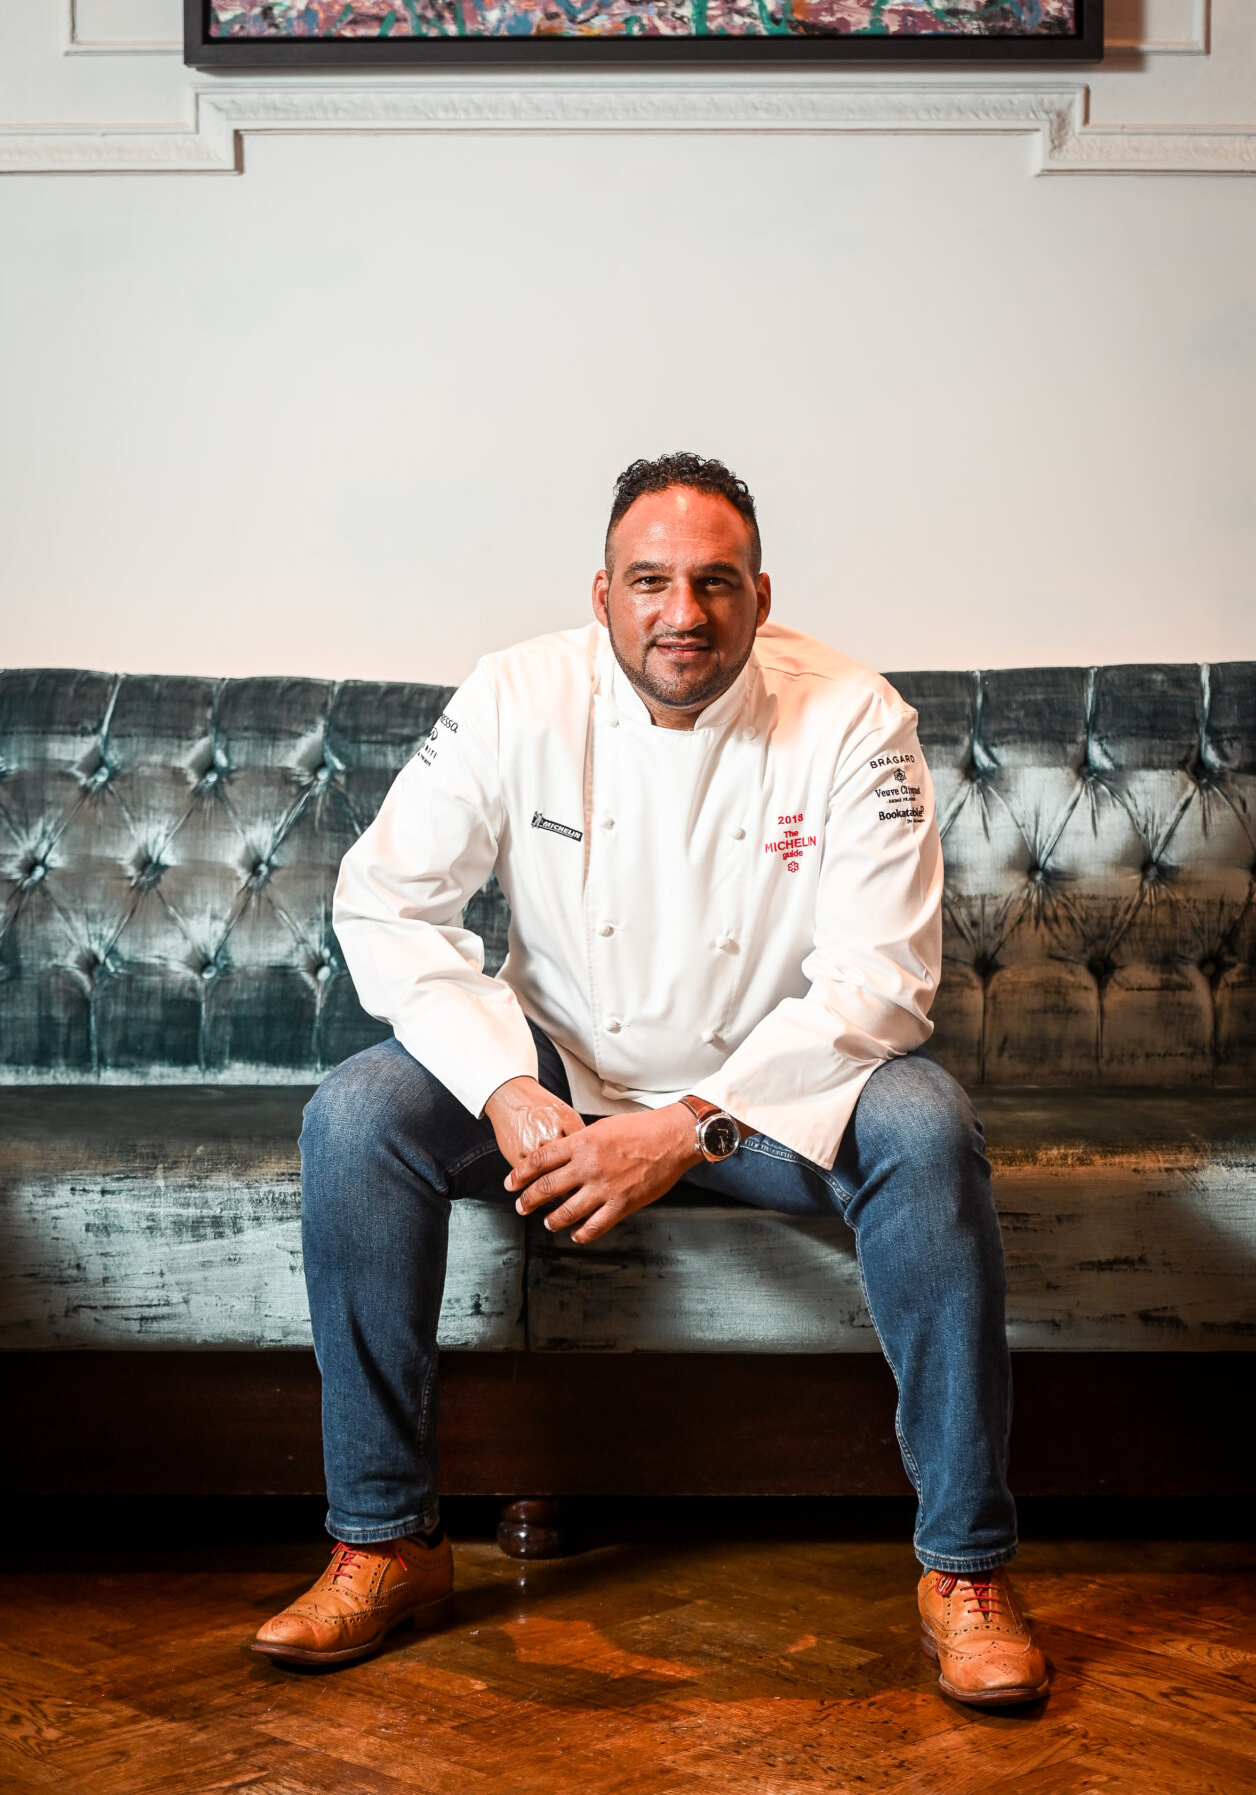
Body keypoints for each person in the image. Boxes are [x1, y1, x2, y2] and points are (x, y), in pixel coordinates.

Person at [253, 452, 1049, 1706]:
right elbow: (384, 904)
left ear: (760, 594)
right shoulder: (517, 693)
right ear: (602, 592)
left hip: (778, 1088)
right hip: (562, 1065)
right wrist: (507, 1087)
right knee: (356, 1114)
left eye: (714, 584)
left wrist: (689, 1125)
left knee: (927, 1123)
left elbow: (881, 985)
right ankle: (386, 1539)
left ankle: (964, 1569)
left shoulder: (853, 717)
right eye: (651, 582)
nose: (683, 614)